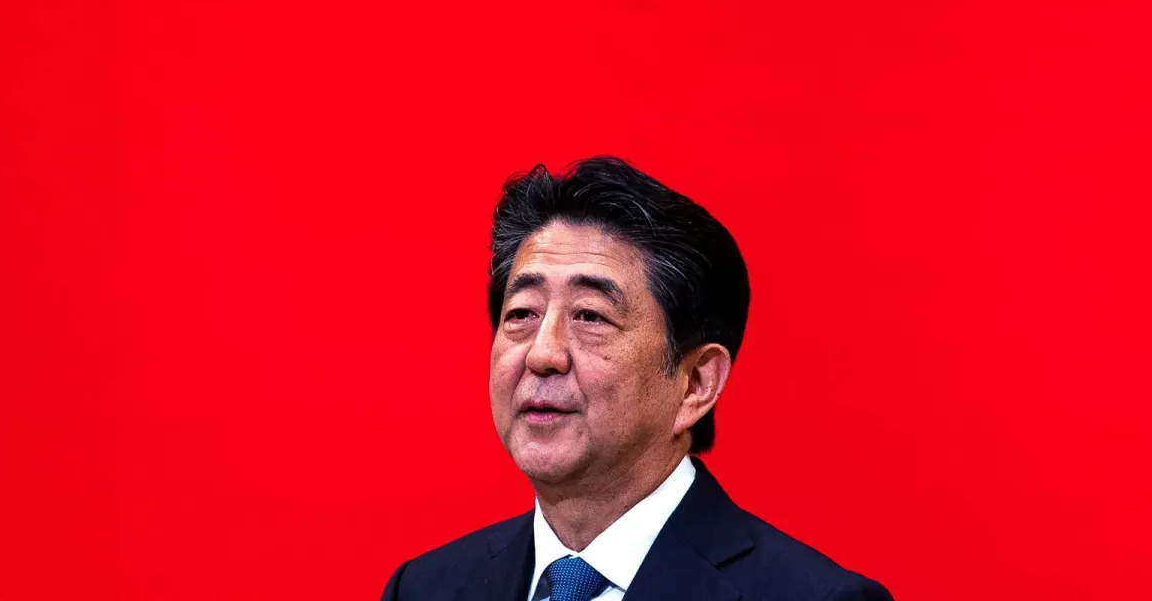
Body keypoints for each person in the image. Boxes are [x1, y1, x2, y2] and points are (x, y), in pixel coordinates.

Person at [381, 156, 892, 601]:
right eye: (522, 314)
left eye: (590, 316)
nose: (542, 354)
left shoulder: (816, 596)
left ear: (695, 384)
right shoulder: (425, 588)